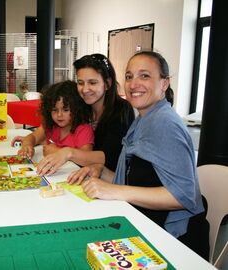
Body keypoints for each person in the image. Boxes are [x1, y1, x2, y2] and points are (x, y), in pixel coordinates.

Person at [68, 51, 209, 259]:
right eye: (129, 76)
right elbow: (140, 176)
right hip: (146, 223)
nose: (134, 84)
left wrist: (114, 191)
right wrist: (102, 172)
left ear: (164, 83)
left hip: (176, 243)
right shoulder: (144, 118)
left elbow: (183, 195)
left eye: (144, 76)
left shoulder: (165, 123)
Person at [36, 54, 135, 176]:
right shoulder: (81, 104)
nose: (85, 89)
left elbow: (110, 156)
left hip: (110, 179)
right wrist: (30, 139)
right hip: (79, 172)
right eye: (80, 83)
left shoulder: (121, 109)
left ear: (108, 83)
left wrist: (67, 153)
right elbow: (46, 126)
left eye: (92, 83)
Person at [16, 80, 94, 174]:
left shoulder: (83, 130)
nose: (59, 115)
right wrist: (27, 145)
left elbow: (87, 159)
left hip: (71, 178)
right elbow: (33, 137)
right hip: (53, 176)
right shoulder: (51, 125)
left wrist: (57, 152)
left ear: (77, 109)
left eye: (65, 110)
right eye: (54, 110)